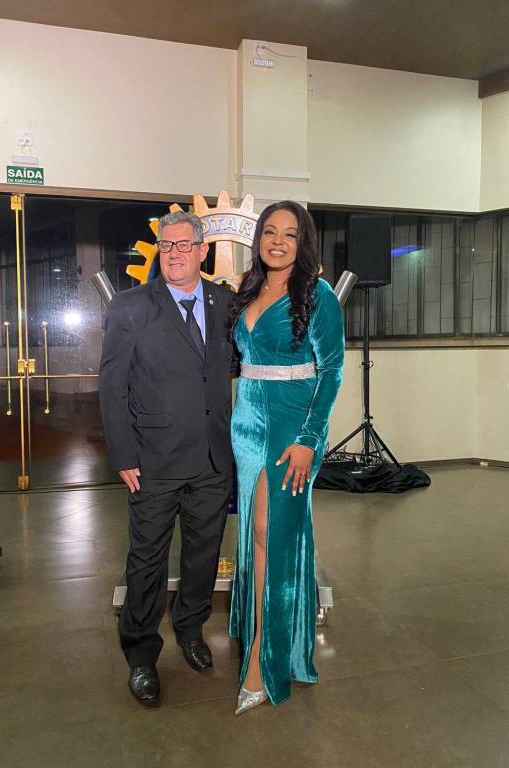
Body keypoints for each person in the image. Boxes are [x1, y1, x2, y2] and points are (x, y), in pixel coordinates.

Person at [99, 210, 234, 708]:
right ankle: (141, 654)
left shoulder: (224, 303)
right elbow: (112, 387)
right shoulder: (131, 307)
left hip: (212, 458)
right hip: (152, 460)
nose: (173, 253)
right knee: (148, 559)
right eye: (166, 245)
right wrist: (123, 454)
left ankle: (191, 631)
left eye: (183, 245)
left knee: (203, 553)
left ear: (203, 251)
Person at [228, 200, 344, 713]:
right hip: (247, 421)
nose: (277, 241)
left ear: (304, 242)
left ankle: (265, 656)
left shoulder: (318, 295)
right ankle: (266, 634)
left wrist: (309, 439)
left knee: (274, 534)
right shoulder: (249, 288)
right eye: (269, 231)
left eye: (289, 234)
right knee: (256, 534)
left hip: (293, 426)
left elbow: (332, 373)